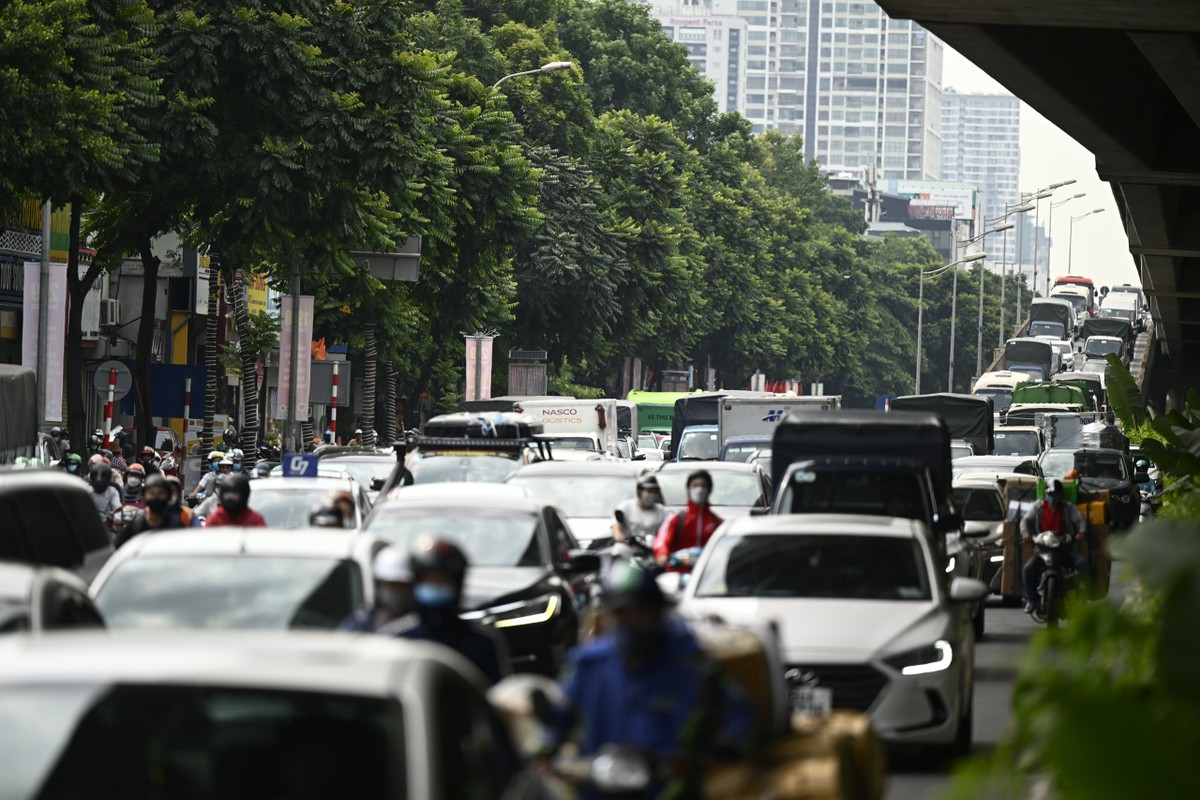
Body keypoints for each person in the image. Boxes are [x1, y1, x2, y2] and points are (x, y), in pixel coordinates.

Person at [537, 560, 754, 795]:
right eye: (618, 613)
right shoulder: (588, 666)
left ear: (657, 612)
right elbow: (559, 716)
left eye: (637, 612)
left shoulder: (692, 667)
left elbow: (738, 710)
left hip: (670, 788)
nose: (627, 621)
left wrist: (727, 746)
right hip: (598, 789)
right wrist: (545, 746)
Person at [392, 537, 508, 685]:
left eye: (442, 581)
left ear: (457, 585)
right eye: (429, 581)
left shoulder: (481, 642)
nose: (435, 587)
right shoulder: (397, 639)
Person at [1021, 479, 1089, 614]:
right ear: (1047, 494)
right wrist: (1026, 533)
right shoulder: (1038, 507)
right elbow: (1025, 520)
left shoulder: (1068, 507)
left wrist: (1082, 532)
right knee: (1028, 570)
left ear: (1061, 495)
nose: (1054, 497)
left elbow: (1080, 519)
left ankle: (1082, 597)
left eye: (1056, 494)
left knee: (1083, 564)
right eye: (1051, 494)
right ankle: (1032, 600)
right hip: (1042, 549)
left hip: (1064, 548)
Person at [653, 470, 723, 565]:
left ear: (709, 490)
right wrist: (662, 554)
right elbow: (662, 541)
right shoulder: (676, 519)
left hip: (706, 575)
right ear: (688, 489)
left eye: (703, 486)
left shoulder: (717, 522)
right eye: (695, 485)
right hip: (678, 571)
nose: (699, 489)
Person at [339, 547, 415, 632]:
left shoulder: (416, 624)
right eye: (392, 584)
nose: (397, 590)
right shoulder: (361, 622)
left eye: (402, 585)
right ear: (378, 584)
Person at [116, 474, 187, 548]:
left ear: (168, 496)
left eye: (161, 493)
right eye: (151, 493)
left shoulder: (176, 525)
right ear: (144, 496)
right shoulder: (136, 525)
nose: (156, 497)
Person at [613, 475, 668, 545]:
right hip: (630, 546)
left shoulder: (662, 511)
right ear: (640, 491)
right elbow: (616, 524)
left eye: (654, 492)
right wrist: (619, 535)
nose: (652, 495)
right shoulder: (626, 507)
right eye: (649, 491)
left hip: (654, 547)